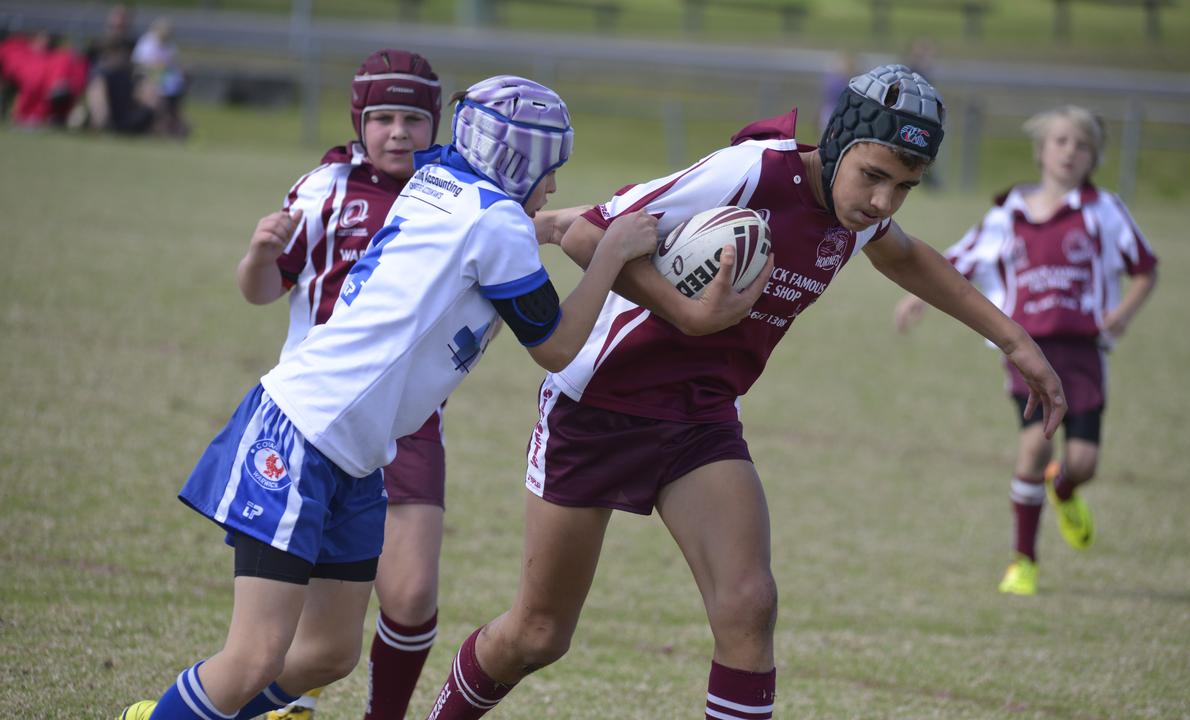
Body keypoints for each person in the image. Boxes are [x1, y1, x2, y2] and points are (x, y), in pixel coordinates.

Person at [421, 64, 1066, 719]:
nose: (882, 202)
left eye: (904, 187)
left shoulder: (857, 215)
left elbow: (904, 254)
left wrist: (1015, 341)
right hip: (599, 406)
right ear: (838, 144)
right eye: (873, 176)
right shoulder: (752, 170)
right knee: (538, 635)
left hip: (700, 416)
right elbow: (593, 233)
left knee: (749, 605)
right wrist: (683, 310)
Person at [117, 74, 658, 720]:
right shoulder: (496, 226)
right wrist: (612, 255)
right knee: (256, 655)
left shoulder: (436, 185)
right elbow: (558, 346)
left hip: (355, 454)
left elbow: (482, 237)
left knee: (326, 652)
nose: (555, 185)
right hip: (303, 431)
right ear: (518, 158)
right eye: (550, 169)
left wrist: (542, 225)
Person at [229, 49, 445, 720]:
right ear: (359, 118)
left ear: (436, 124)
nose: (399, 132)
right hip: (314, 418)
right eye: (382, 117)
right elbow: (262, 292)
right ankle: (262, 703)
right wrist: (261, 252)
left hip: (407, 425)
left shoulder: (455, 197)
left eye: (413, 117)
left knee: (409, 597)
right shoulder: (326, 187)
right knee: (287, 619)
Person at [895, 104, 1158, 596]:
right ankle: (1024, 561)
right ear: (1040, 151)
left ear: (1093, 158)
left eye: (1081, 145)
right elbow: (956, 260)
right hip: (1026, 348)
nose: (1070, 152)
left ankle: (1065, 489)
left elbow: (1146, 267)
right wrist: (916, 296)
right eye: (1060, 141)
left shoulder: (1104, 211)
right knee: (1035, 445)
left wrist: (1122, 313)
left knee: (1083, 463)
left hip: (1084, 352)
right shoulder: (1008, 214)